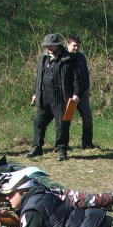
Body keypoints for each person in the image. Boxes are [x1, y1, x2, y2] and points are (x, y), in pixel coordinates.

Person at [29, 34, 81, 162]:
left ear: (57, 45)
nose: (49, 48)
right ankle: (37, 147)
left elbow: (75, 78)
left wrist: (76, 94)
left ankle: (62, 150)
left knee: (62, 124)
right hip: (44, 95)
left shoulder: (68, 58)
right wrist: (35, 93)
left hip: (61, 96)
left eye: (51, 46)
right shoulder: (44, 57)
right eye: (47, 46)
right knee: (39, 122)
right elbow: (39, 77)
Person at [66, 36, 96, 150]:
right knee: (66, 120)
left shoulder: (81, 57)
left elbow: (85, 74)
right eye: (74, 45)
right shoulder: (63, 57)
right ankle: (64, 146)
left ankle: (87, 144)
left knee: (88, 118)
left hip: (82, 94)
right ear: (68, 44)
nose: (76, 48)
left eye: (78, 46)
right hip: (69, 95)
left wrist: (86, 89)